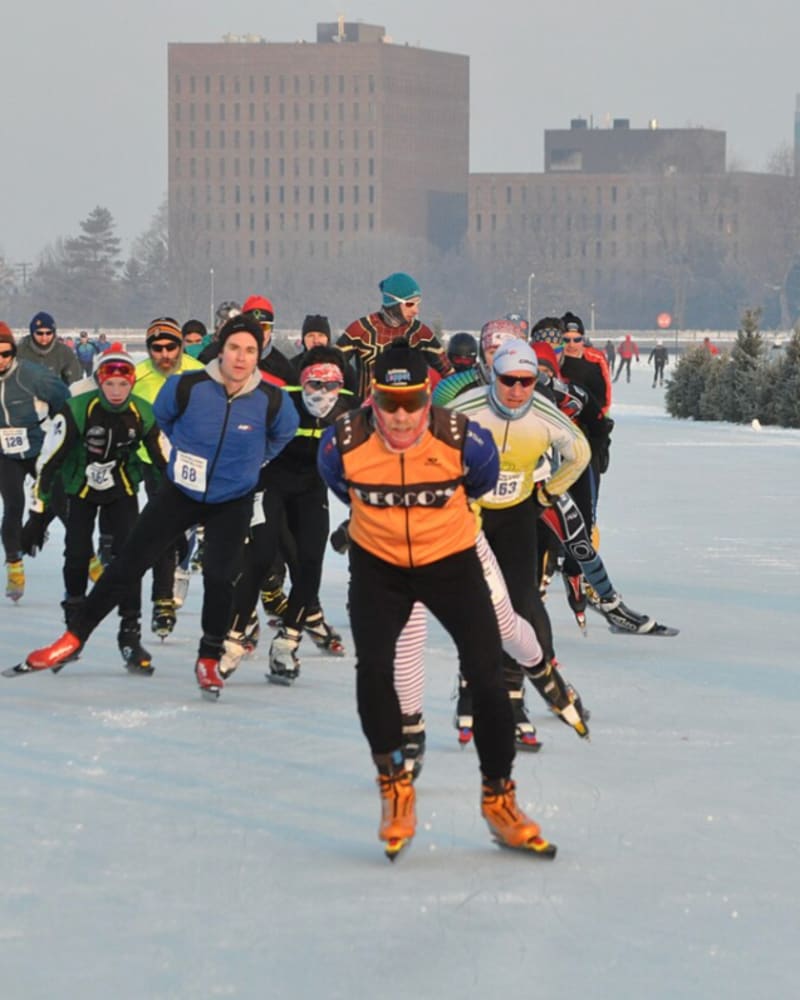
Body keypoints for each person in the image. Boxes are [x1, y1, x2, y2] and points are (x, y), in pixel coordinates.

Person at [318, 340, 557, 859]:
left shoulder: (465, 440)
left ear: (428, 398)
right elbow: (340, 487)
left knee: (487, 675)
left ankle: (499, 798)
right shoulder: (341, 442)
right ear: (372, 398)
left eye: (413, 402)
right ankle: (394, 786)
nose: (401, 417)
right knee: (374, 669)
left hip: (449, 562)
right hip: (379, 566)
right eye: (389, 403)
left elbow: (481, 484)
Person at [13, 313, 300, 697]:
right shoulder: (188, 386)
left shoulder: (272, 400)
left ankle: (209, 658)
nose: (241, 357)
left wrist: (247, 464)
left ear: (258, 354)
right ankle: (73, 637)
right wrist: (189, 451)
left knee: (220, 577)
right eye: (234, 348)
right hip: (180, 491)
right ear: (222, 349)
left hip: (233, 498)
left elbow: (280, 437)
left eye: (250, 350)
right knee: (128, 563)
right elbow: (164, 419)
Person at [22, 347, 166, 671]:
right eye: (109, 384)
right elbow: (49, 462)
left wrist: (175, 512)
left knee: (129, 559)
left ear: (132, 384)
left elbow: (163, 464)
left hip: (122, 489)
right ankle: (72, 633)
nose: (116, 391)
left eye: (123, 384)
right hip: (80, 488)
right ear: (99, 382)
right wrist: (37, 514)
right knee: (76, 554)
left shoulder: (143, 412)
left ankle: (130, 635)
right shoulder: (76, 409)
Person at [221, 345, 359, 682]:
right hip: (271, 485)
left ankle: (287, 642)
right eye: (315, 384)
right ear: (302, 381)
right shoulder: (281, 401)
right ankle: (234, 638)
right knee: (260, 556)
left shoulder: (349, 409)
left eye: (331, 385)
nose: (323, 393)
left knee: (310, 564)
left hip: (312, 490)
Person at [134, 317, 205, 637]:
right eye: (157, 348)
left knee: (186, 522)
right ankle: (163, 598)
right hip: (153, 461)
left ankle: (183, 562)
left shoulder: (199, 372)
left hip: (193, 459)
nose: (164, 354)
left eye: (171, 347)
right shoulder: (137, 375)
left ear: (181, 346)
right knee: (163, 526)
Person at [0, 322, 70, 599]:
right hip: (6, 452)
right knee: (13, 505)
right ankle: (14, 567)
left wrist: (58, 431)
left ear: (13, 353)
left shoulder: (32, 375)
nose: (0, 359)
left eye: (5, 353)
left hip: (39, 447)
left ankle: (87, 558)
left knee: (60, 502)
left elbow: (64, 401)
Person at [337, 272, 452, 398]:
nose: (416, 310)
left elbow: (449, 373)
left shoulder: (420, 333)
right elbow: (330, 366)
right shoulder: (360, 330)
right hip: (369, 407)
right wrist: (345, 401)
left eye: (418, 304)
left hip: (412, 408)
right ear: (393, 303)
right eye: (410, 304)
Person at [16, 311, 82, 385]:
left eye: (48, 333)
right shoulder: (19, 352)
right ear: (32, 333)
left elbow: (76, 383)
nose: (44, 337)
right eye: (39, 333)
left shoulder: (64, 353)